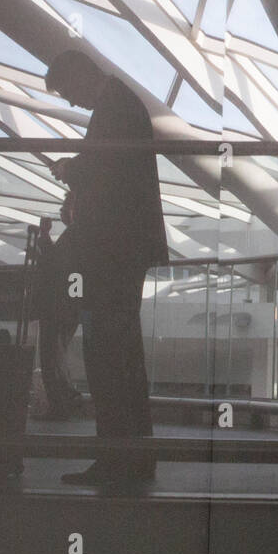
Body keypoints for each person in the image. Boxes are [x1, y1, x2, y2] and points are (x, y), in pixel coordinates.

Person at [44, 50, 168, 486]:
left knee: (108, 353)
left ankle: (120, 457)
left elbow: (105, 170)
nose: (73, 102)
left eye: (68, 91)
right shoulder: (121, 103)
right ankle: (129, 456)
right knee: (117, 353)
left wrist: (70, 169)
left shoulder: (115, 107)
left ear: (80, 74)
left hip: (113, 251)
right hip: (121, 250)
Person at [33, 195, 84, 421]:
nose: (61, 210)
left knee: (51, 353)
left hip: (59, 303)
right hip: (70, 304)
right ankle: (67, 399)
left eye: (65, 206)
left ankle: (61, 403)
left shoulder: (74, 234)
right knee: (57, 352)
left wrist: (43, 236)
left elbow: (55, 263)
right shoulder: (79, 234)